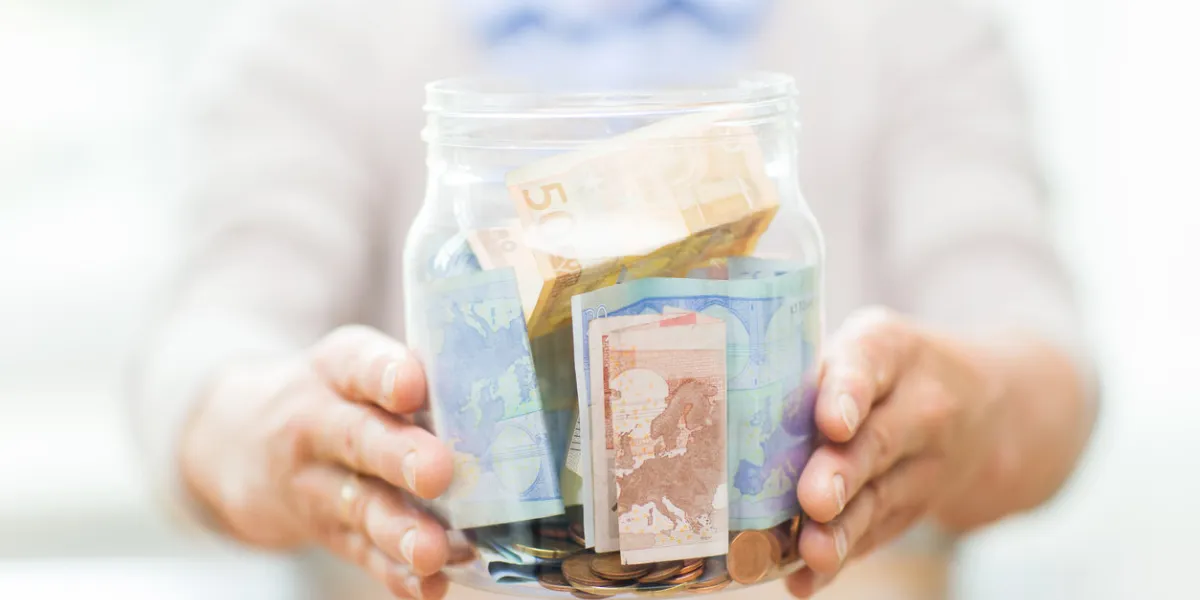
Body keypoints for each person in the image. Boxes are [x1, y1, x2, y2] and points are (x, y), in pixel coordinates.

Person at [129, 1, 1097, 599]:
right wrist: (258, 425)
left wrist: (974, 403)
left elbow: (1043, 356)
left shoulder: (911, 25)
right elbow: (207, 341)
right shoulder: (323, 31)